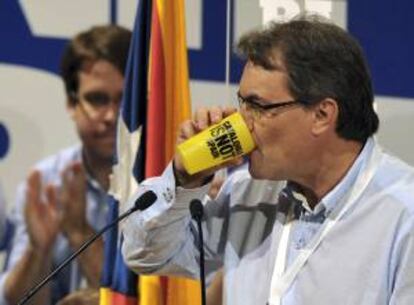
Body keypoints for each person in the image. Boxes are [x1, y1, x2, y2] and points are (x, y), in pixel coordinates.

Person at [120, 15, 414, 305]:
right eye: (242, 103)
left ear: (322, 115)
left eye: (258, 107)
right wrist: (185, 177)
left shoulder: (404, 216)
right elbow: (146, 254)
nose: (241, 122)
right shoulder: (247, 190)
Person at [0, 25, 131, 305]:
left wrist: (78, 232)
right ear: (72, 104)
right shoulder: (46, 181)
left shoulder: (165, 181)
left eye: (123, 100)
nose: (111, 115)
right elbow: (14, 301)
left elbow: (148, 300)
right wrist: (39, 250)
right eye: (97, 99)